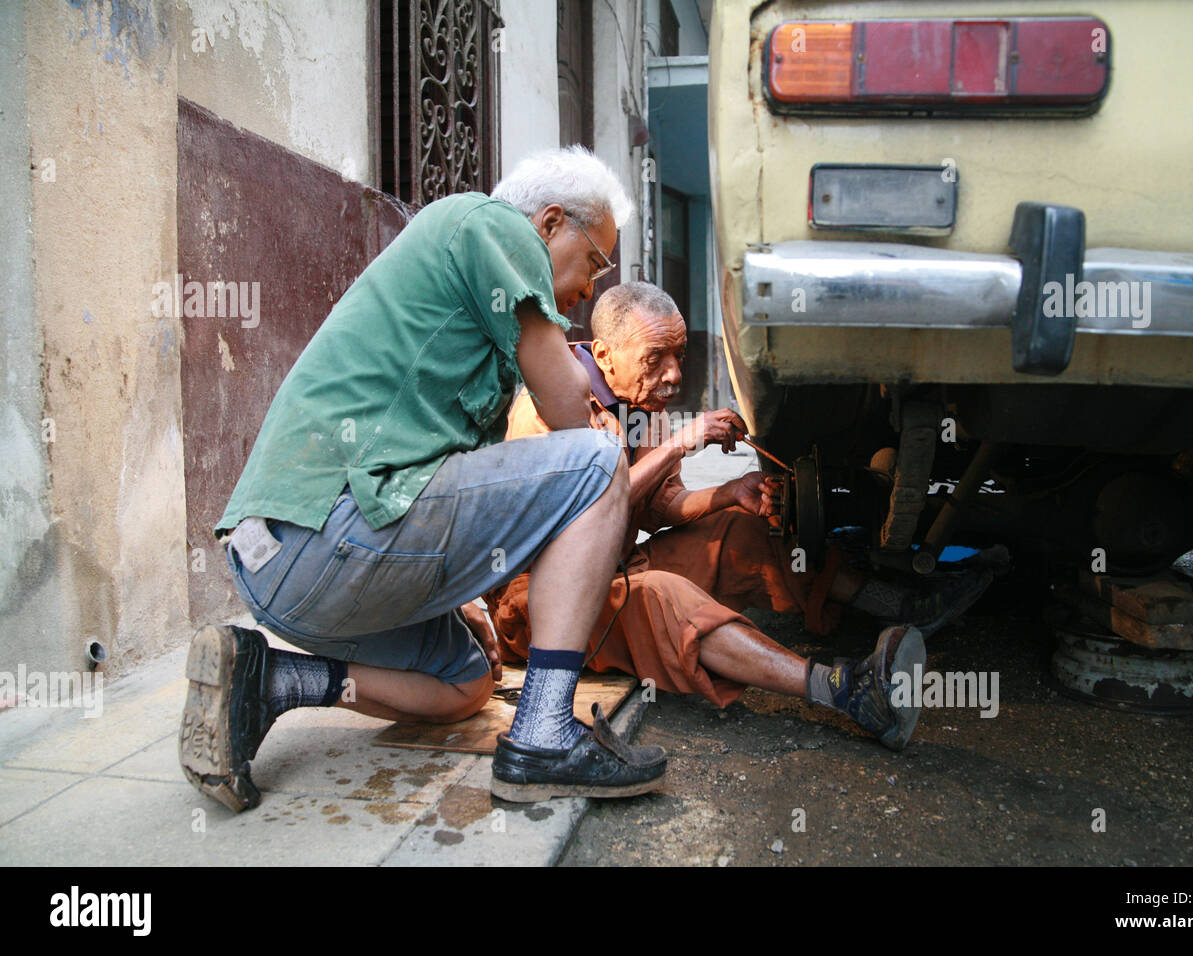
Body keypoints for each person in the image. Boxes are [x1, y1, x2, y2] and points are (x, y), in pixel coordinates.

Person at [180, 147, 666, 811]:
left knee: (463, 681)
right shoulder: (493, 227)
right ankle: (546, 735)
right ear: (551, 223)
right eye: (597, 261)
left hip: (278, 572)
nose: (592, 290)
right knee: (600, 460)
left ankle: (270, 682)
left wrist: (448, 589)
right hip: (325, 529)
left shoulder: (477, 305)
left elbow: (447, 482)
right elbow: (568, 410)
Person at [486, 282, 1001, 750]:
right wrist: (680, 446)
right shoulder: (548, 407)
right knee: (663, 595)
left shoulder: (638, 406)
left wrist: (731, 492)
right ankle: (846, 691)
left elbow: (662, 506)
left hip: (611, 569)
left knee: (743, 531)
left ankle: (905, 605)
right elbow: (578, 515)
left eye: (679, 356)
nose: (674, 375)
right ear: (605, 354)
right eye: (655, 358)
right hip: (541, 603)